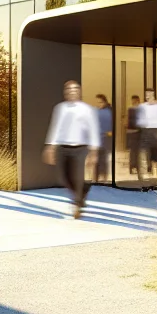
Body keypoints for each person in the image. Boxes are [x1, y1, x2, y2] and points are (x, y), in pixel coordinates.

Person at [43, 80, 100, 218]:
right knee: (64, 178)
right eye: (68, 90)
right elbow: (55, 128)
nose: (71, 92)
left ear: (79, 92)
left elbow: (93, 129)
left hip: (80, 148)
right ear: (65, 92)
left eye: (74, 89)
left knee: (78, 178)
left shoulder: (87, 109)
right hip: (63, 148)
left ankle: (77, 202)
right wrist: (50, 147)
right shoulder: (60, 108)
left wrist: (94, 151)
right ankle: (81, 196)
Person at [137, 89, 157, 183]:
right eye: (146, 94)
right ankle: (141, 176)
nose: (147, 96)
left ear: (153, 95)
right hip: (145, 131)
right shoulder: (142, 106)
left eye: (149, 94)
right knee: (142, 153)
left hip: (156, 131)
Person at [95, 94, 114, 182]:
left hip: (105, 139)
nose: (99, 104)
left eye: (100, 102)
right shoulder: (98, 112)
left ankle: (103, 178)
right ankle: (98, 178)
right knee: (98, 160)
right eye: (97, 102)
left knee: (103, 160)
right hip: (99, 139)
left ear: (105, 102)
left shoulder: (108, 112)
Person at [126, 95, 141, 175]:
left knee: (133, 151)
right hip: (136, 132)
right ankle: (134, 167)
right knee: (135, 151)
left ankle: (132, 167)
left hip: (132, 132)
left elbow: (128, 121)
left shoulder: (130, 109)